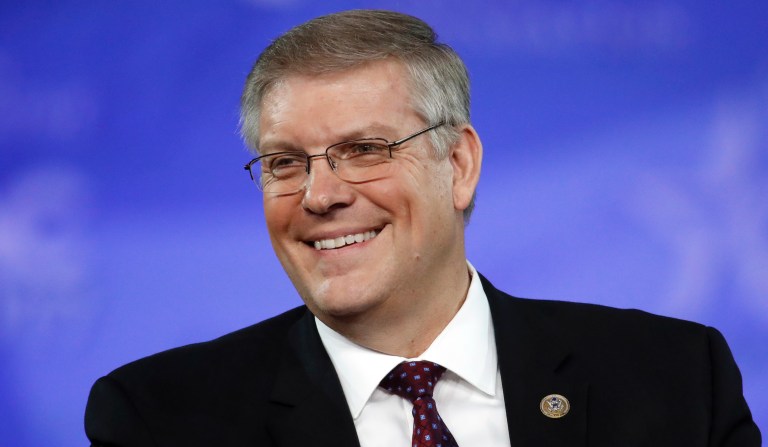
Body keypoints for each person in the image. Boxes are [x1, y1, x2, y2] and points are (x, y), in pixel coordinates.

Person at [84, 9, 761, 447]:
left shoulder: (672, 378)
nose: (320, 195)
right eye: (285, 162)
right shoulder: (161, 418)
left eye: (365, 150)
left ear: (459, 163)